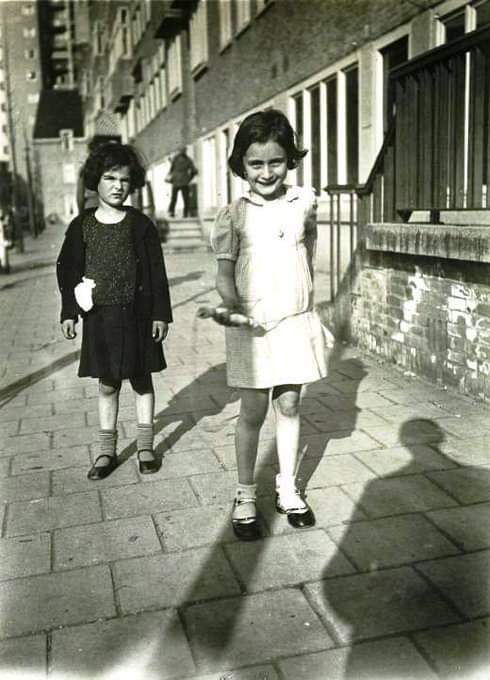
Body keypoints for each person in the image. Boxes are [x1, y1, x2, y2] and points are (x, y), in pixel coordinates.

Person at [210, 109, 328, 541]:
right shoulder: (234, 215)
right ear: (241, 164)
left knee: (291, 404)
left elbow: (308, 253)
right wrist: (233, 303)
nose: (266, 172)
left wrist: (304, 297)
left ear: (289, 160)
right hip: (253, 326)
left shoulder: (304, 203)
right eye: (256, 163)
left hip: (294, 320)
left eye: (275, 162)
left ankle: (287, 487)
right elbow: (224, 272)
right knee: (254, 410)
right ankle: (245, 493)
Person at [57, 142, 173, 480]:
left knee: (141, 380)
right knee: (108, 384)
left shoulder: (141, 225)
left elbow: (156, 272)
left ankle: (145, 445)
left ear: (132, 182)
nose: (118, 186)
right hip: (101, 318)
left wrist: (160, 314)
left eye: (124, 179)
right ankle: (107, 450)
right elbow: (67, 269)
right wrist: (69, 311)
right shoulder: (82, 226)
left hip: (137, 316)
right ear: (96, 181)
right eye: (109, 178)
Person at [167, 146, 197, 218]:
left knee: (174, 198)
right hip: (184, 181)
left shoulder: (175, 159)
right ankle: (185, 213)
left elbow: (171, 170)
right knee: (185, 198)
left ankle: (171, 212)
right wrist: (189, 178)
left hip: (176, 181)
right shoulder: (188, 160)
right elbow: (194, 171)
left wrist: (171, 177)